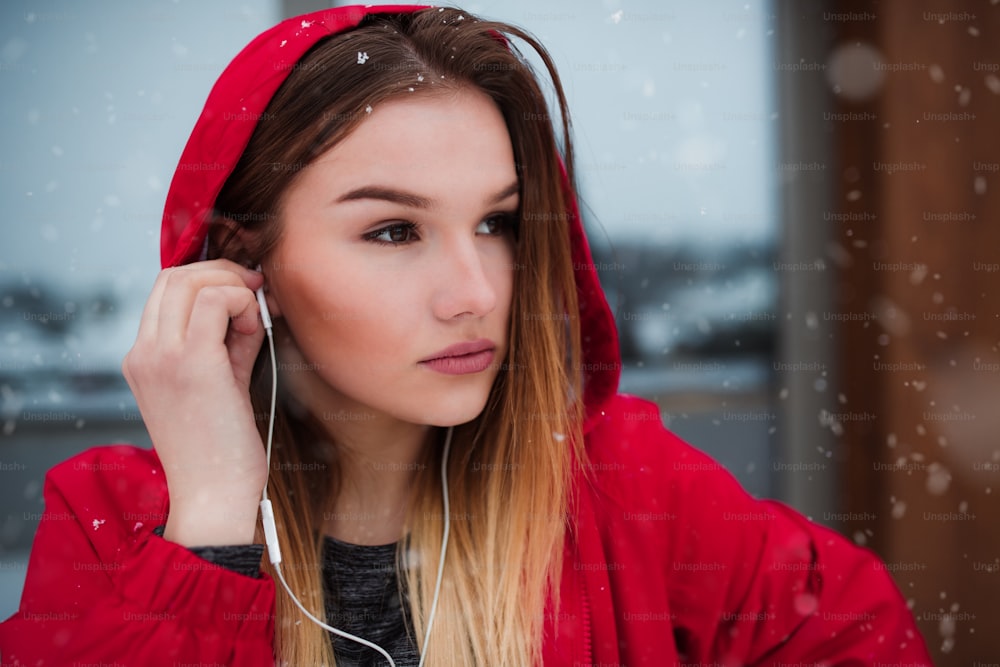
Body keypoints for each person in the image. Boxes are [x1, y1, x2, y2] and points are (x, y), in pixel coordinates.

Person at [0, 5, 933, 666]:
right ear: (249, 265)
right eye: (394, 231)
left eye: (499, 222)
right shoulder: (113, 525)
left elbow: (858, 637)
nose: (477, 291)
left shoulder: (624, 490)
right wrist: (208, 525)